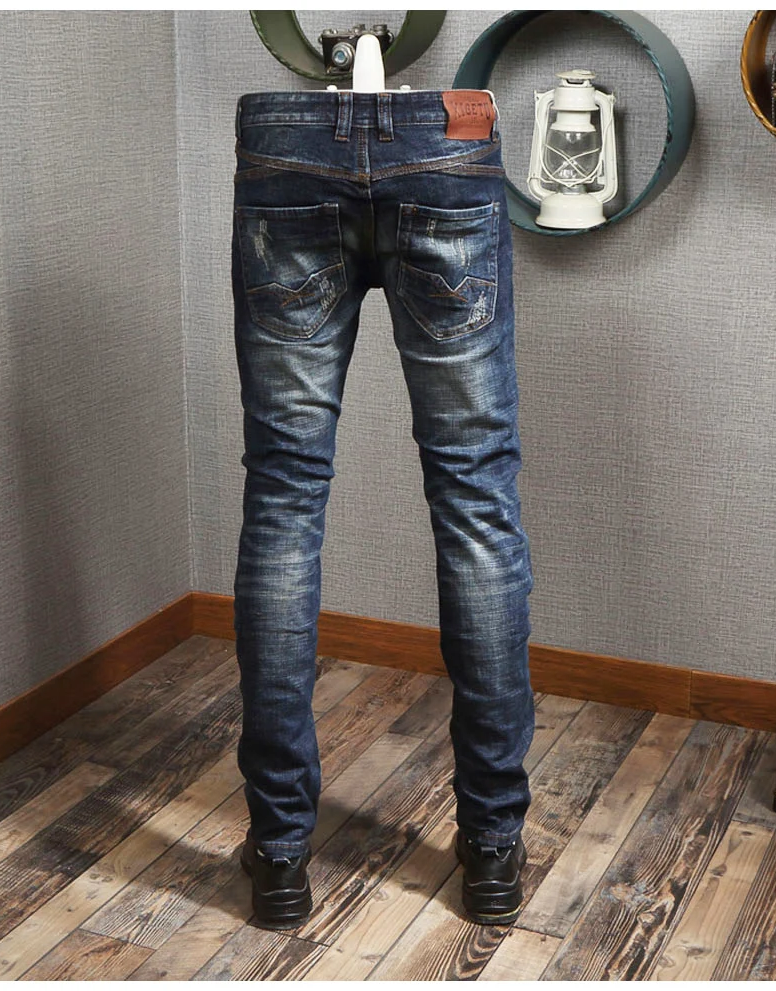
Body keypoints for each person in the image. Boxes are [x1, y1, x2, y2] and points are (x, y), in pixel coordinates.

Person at [231, 87, 535, 930]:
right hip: (446, 152)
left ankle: (280, 852)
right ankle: (493, 846)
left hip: (286, 155)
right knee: (475, 496)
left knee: (284, 495)